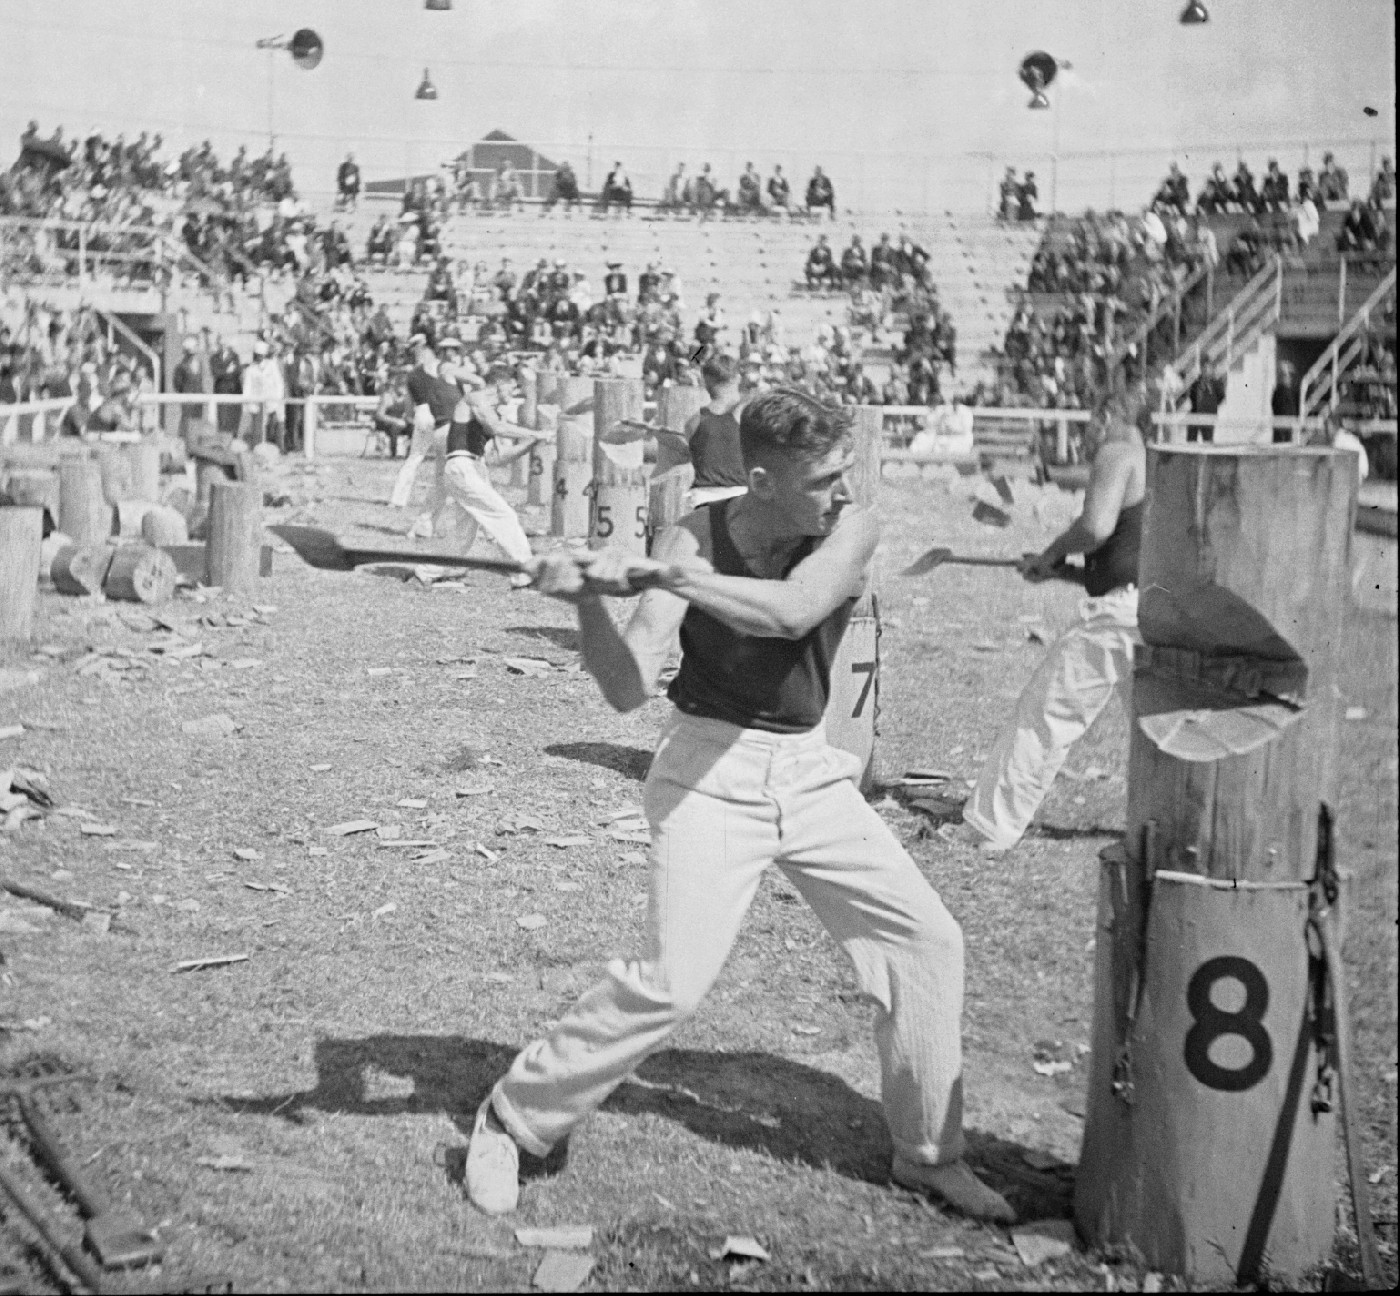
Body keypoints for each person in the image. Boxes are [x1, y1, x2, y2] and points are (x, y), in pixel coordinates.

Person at [464, 387, 1015, 1226]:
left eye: (842, 472)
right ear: (760, 480)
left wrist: (676, 576)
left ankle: (929, 1157)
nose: (841, 490)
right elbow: (626, 689)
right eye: (823, 477)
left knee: (926, 943)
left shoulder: (850, 528)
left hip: (809, 769)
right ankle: (515, 1117)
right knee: (671, 984)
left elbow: (791, 611)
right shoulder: (694, 533)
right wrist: (584, 599)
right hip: (706, 771)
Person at [950, 392, 1147, 854]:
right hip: (1145, 607)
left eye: (1088, 426)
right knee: (1155, 728)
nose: (1086, 437)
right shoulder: (1154, 462)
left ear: (1106, 415)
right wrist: (1060, 570)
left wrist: (1050, 552)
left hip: (1116, 616)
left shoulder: (1116, 452)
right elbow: (1117, 559)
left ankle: (989, 827)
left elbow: (1095, 528)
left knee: (1046, 715)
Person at [428, 383, 539, 579]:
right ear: (500, 385)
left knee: (464, 533)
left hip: (475, 468)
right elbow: (495, 427)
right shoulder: (474, 398)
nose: (513, 395)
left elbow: (502, 456)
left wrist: (531, 442)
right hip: (462, 464)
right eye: (511, 388)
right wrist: (533, 433)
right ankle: (525, 572)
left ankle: (426, 572)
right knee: (504, 515)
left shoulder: (492, 412)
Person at [388, 339, 461, 512]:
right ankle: (454, 496)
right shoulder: (447, 369)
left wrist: (410, 417)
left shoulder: (413, 374)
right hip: (443, 412)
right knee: (451, 458)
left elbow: (408, 402)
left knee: (414, 457)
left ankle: (397, 499)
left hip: (422, 412)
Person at [677, 352, 748, 509]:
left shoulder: (693, 422)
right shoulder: (747, 415)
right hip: (739, 499)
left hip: (702, 500)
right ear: (737, 379)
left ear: (706, 382)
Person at [171, 335, 207, 439]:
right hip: (188, 398)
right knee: (187, 420)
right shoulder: (181, 366)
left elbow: (200, 380)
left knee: (197, 420)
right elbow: (177, 384)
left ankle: (195, 444)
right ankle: (183, 441)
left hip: (199, 398)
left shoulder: (199, 363)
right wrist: (186, 392)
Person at [209, 335, 243, 435]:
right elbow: (215, 373)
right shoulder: (214, 358)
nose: (223, 346)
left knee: (233, 417)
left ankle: (233, 440)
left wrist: (224, 373)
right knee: (222, 418)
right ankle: (223, 441)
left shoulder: (235, 356)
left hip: (234, 391)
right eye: (221, 344)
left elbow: (237, 371)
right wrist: (227, 371)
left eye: (225, 344)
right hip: (221, 391)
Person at [1187, 357, 1226, 442]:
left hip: (1209, 415)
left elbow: (1221, 396)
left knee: (1208, 440)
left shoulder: (1216, 383)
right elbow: (1192, 396)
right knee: (1191, 440)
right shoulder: (1197, 383)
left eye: (1208, 368)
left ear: (1212, 369)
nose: (1205, 370)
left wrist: (1212, 405)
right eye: (1204, 368)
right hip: (1195, 414)